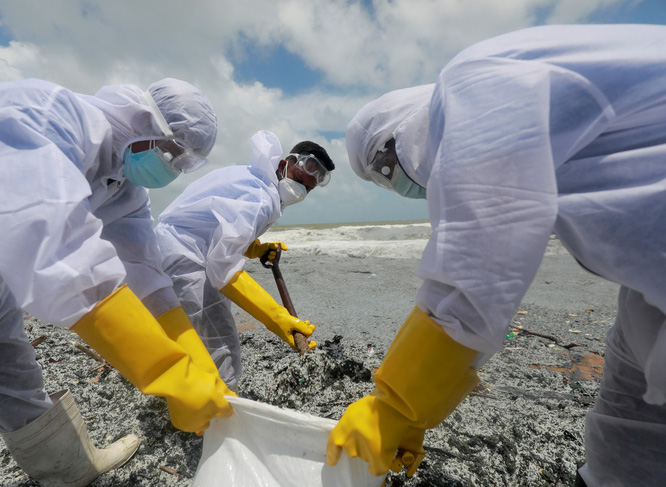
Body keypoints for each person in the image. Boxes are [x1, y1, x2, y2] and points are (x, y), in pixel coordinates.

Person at [327, 24, 666, 486]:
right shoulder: (530, 135)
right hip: (650, 278)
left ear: (407, 126)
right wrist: (415, 415)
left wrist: (394, 403)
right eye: (386, 181)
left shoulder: (474, 82)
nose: (400, 182)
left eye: (388, 165)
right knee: (627, 425)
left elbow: (477, 270)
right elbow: (486, 294)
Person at [0, 77, 234, 487]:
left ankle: (71, 469)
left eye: (184, 162)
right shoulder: (50, 118)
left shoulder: (122, 184)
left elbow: (143, 268)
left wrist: (194, 355)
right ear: (143, 119)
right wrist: (171, 372)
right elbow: (62, 254)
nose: (172, 166)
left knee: (12, 381)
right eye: (172, 150)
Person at [154, 130, 334, 390]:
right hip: (185, 256)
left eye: (307, 188)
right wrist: (277, 319)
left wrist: (256, 249)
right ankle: (222, 413)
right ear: (284, 164)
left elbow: (219, 228)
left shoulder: (254, 180)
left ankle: (189, 397)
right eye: (299, 177)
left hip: (175, 248)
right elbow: (223, 269)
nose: (301, 189)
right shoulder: (260, 197)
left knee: (192, 336)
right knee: (222, 342)